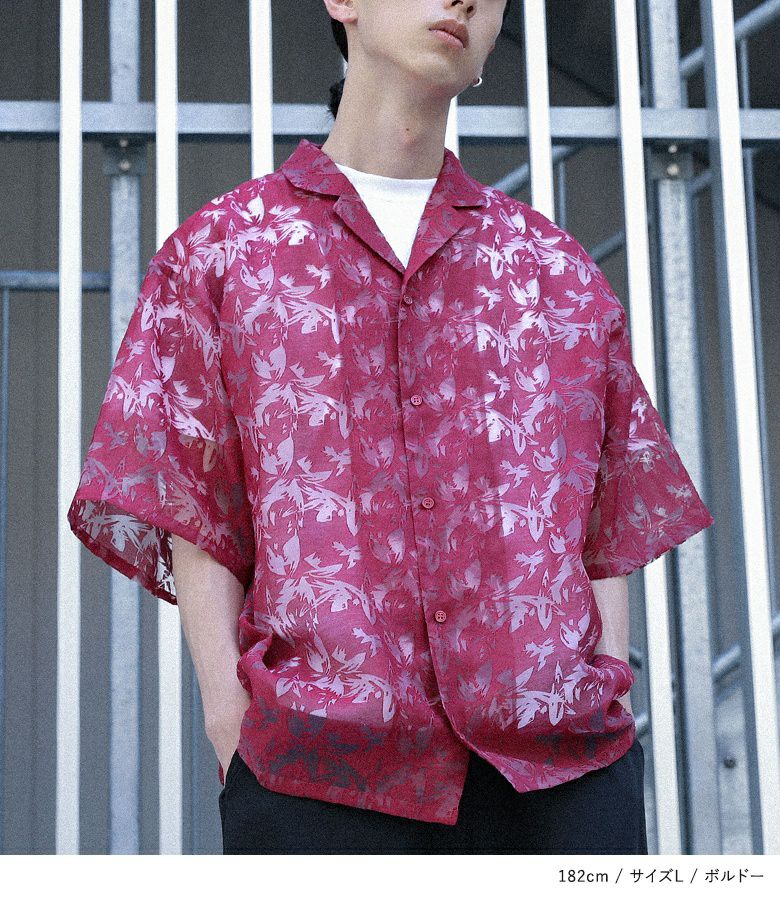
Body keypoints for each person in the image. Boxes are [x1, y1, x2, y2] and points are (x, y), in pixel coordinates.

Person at [68, 0, 714, 854]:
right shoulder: (225, 252)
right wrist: (229, 721)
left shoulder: (551, 269)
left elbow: (605, 514)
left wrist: (610, 686)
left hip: (559, 783)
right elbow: (194, 498)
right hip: (318, 778)